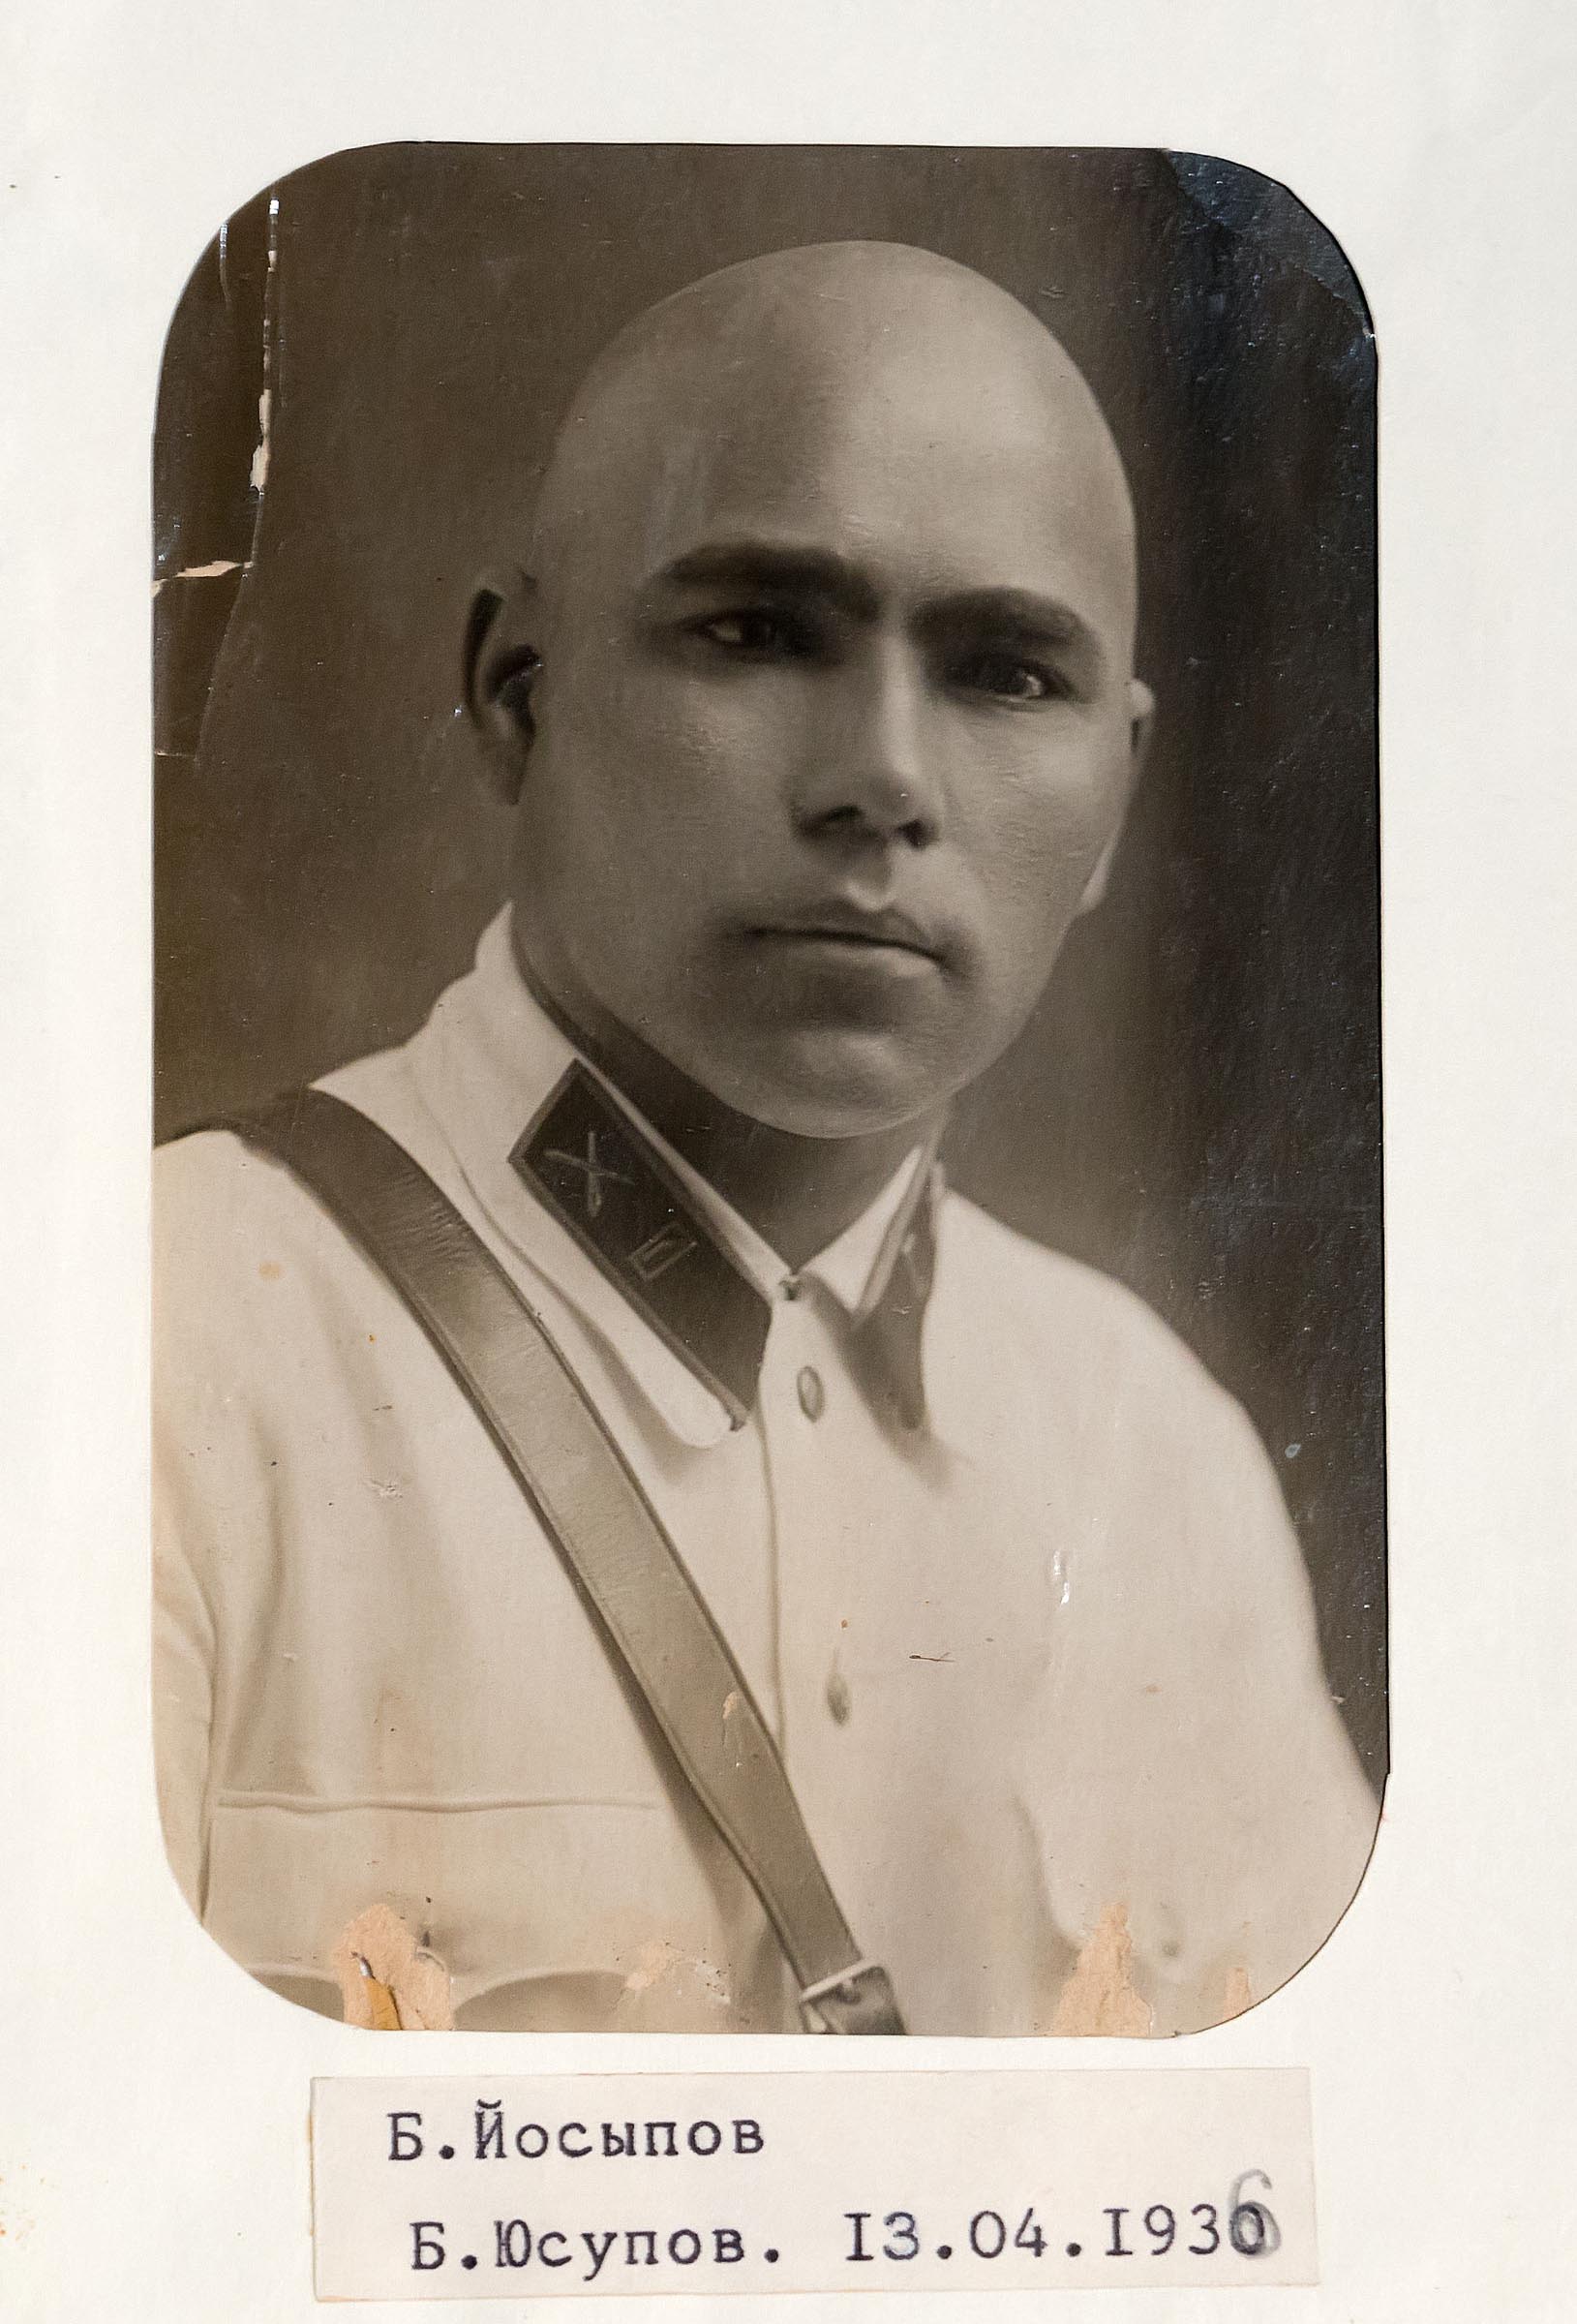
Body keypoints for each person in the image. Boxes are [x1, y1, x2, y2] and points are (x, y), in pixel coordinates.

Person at [153, 238, 1379, 2037]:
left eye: (1004, 674)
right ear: (517, 691)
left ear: (1115, 798)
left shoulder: (1150, 1450)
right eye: (756, 633)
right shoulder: (163, 1344)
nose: (882, 777)